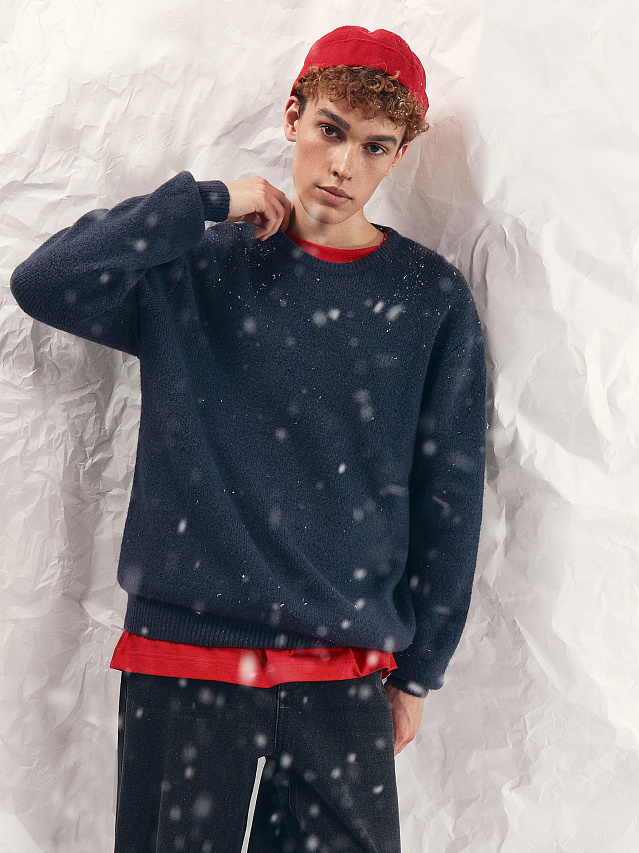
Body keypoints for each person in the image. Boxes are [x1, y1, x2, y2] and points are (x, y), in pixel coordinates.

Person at [10, 25, 486, 853]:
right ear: (294, 116)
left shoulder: (427, 298)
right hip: (184, 662)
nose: (344, 164)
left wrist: (418, 673)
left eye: (374, 146)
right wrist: (202, 202)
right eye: (330, 129)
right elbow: (46, 281)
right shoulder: (199, 265)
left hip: (341, 675)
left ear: (398, 156)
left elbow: (449, 491)